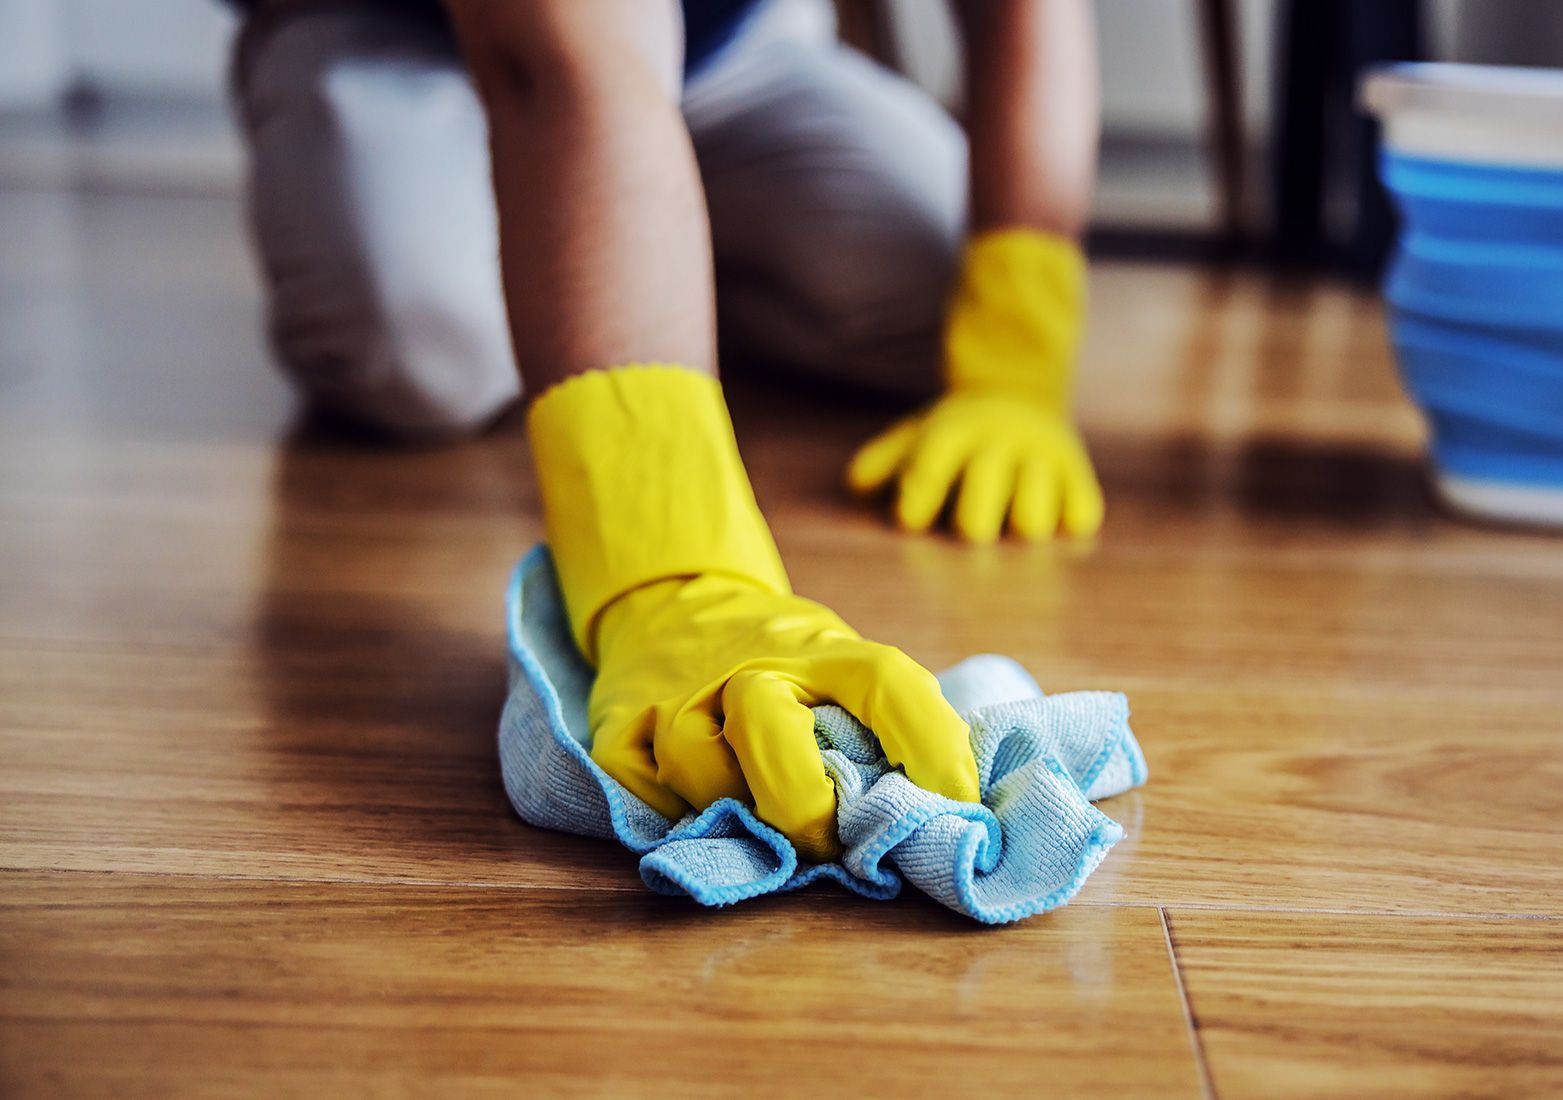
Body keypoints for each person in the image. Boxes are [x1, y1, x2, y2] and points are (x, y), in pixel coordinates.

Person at [229, 0, 1105, 858]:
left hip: (723, 45)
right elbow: (557, 55)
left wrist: (1014, 355)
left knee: (929, 292)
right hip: (417, 35)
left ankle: (645, 234)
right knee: (424, 351)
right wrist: (674, 572)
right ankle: (612, 240)